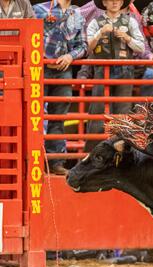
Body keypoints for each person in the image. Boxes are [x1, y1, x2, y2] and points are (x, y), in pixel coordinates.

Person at [34, 0, 88, 175]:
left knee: (58, 117)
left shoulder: (77, 14)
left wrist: (70, 57)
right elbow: (31, 38)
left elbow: (83, 46)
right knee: (36, 115)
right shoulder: (39, 10)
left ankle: (55, 162)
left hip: (64, 69)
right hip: (39, 68)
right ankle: (35, 160)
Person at [84, 0, 145, 151]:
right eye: (111, 0)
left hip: (125, 69)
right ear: (104, 3)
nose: (115, 2)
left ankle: (122, 155)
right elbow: (89, 48)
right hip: (101, 69)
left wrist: (127, 37)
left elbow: (141, 48)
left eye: (118, 0)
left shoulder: (130, 21)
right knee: (97, 111)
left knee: (122, 113)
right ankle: (93, 153)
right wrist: (101, 33)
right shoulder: (95, 23)